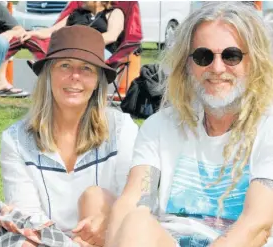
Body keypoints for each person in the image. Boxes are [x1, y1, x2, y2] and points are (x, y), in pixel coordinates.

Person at [105, 2, 273, 247]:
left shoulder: (267, 129)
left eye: (231, 55)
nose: (217, 68)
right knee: (135, 221)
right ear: (187, 65)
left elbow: (256, 225)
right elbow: (133, 199)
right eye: (203, 56)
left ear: (253, 61)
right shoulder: (160, 126)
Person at [0, 25, 139, 247]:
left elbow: (134, 200)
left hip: (105, 235)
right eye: (65, 65)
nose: (75, 77)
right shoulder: (16, 139)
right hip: (45, 240)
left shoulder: (121, 129)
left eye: (86, 68)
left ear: (97, 81)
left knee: (95, 197)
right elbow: (28, 212)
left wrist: (105, 228)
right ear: (48, 73)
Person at [21, 1, 125, 60]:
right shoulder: (76, 14)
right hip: (74, 51)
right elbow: (52, 31)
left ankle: (47, 64)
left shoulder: (114, 13)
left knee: (71, 58)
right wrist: (33, 33)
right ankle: (46, 65)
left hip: (102, 50)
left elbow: (112, 36)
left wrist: (81, 43)